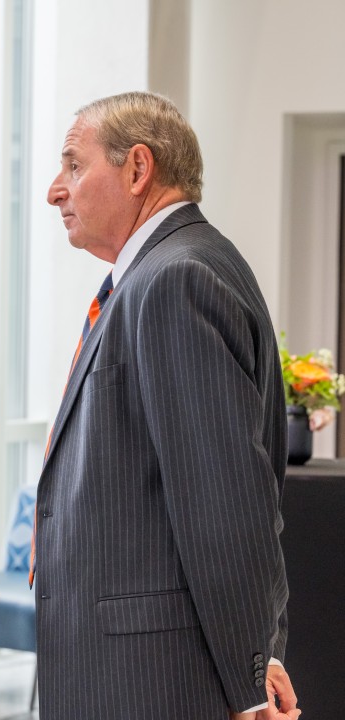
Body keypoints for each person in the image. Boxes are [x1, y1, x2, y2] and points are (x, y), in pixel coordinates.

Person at [36, 90, 300, 720]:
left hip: (153, 680)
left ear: (137, 169)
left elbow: (223, 496)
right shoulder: (169, 269)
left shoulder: (174, 278)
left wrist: (247, 682)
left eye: (74, 164)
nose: (55, 189)